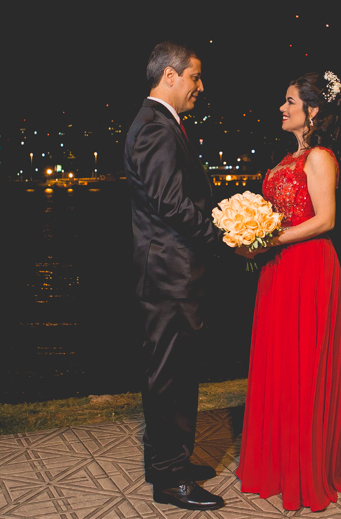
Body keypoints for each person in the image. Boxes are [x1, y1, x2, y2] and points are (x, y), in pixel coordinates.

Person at [235, 70, 341, 512]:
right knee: (278, 362)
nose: (282, 108)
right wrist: (249, 236)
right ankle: (279, 463)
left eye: (290, 101)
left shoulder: (319, 156)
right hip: (278, 269)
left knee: (303, 365)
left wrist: (270, 239)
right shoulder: (287, 158)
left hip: (308, 267)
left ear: (312, 110)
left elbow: (326, 219)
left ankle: (304, 469)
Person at [124, 41, 226, 511]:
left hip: (170, 273)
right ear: (170, 75)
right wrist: (220, 235)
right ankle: (170, 479)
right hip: (168, 275)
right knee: (170, 377)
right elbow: (170, 203)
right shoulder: (154, 127)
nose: (200, 86)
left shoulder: (161, 124)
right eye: (195, 76)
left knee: (176, 373)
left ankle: (171, 461)